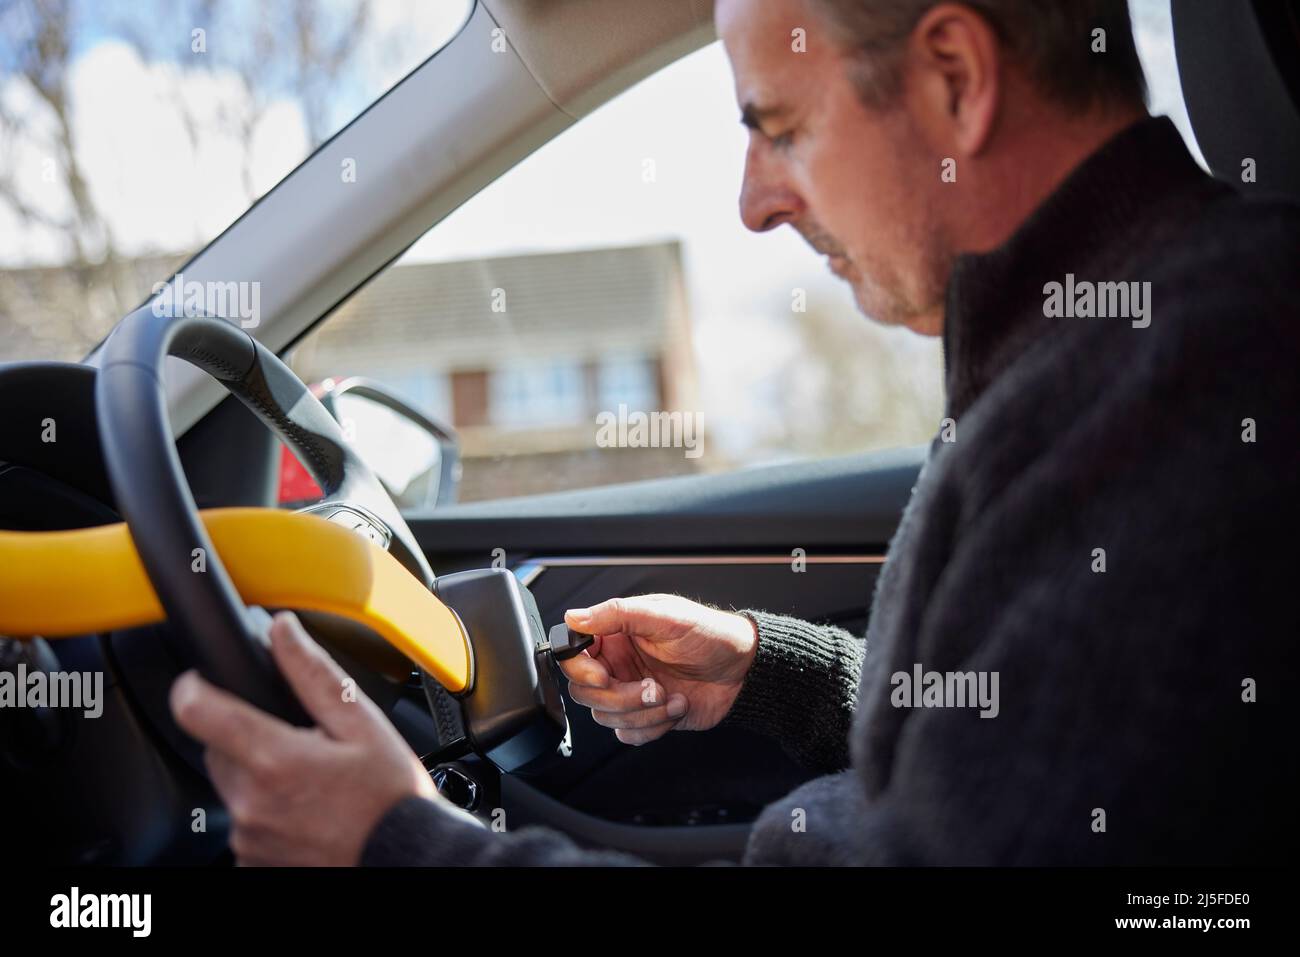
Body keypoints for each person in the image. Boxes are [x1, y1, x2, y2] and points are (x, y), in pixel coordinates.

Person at [169, 0, 1298, 865]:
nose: (753, 203)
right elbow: (1020, 748)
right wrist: (770, 675)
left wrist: (401, 846)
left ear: (954, 80)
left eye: (782, 128)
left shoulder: (1192, 387)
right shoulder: (1096, 347)